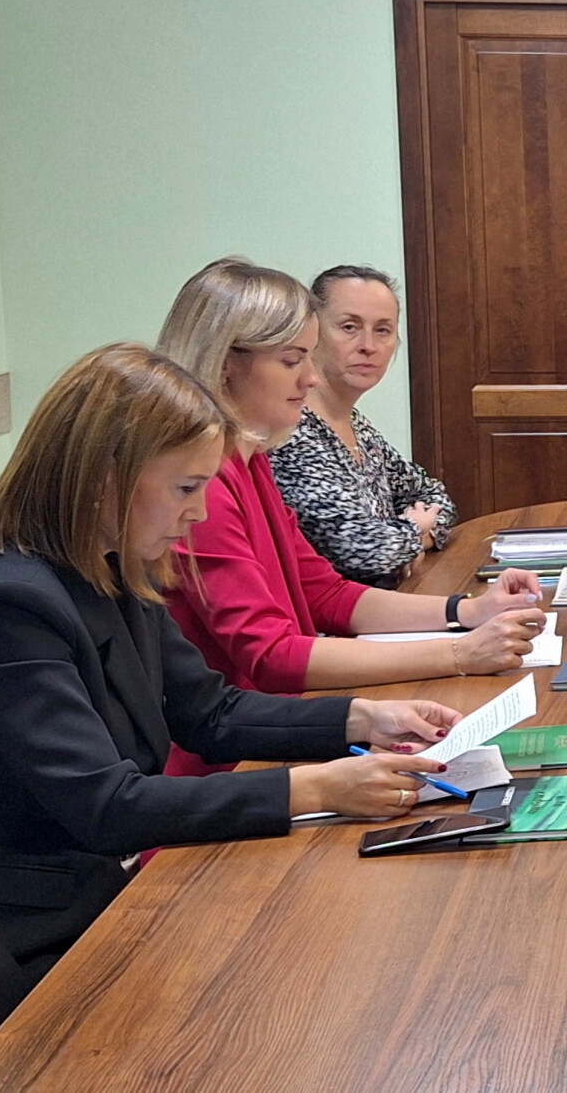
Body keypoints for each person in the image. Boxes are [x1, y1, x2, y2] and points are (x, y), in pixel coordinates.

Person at [0, 344, 458, 975]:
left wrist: (362, 719)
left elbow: (210, 712)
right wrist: (316, 787)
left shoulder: (112, 562)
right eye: (186, 488)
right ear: (106, 479)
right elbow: (107, 806)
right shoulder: (8, 605)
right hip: (14, 928)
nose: (198, 512)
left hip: (91, 884)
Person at [154, 259, 544, 774]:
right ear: (226, 362)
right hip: (235, 761)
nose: (311, 377)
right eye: (292, 360)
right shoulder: (201, 487)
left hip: (285, 730)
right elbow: (271, 655)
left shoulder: (248, 461)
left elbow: (324, 593)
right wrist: (458, 654)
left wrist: (465, 612)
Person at [269, 265, 456, 587]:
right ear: (312, 333)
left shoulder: (357, 425)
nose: (368, 345)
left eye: (383, 330)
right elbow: (364, 552)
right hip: (332, 614)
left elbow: (435, 497)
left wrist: (404, 540)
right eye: (349, 327)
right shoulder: (291, 432)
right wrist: (416, 532)